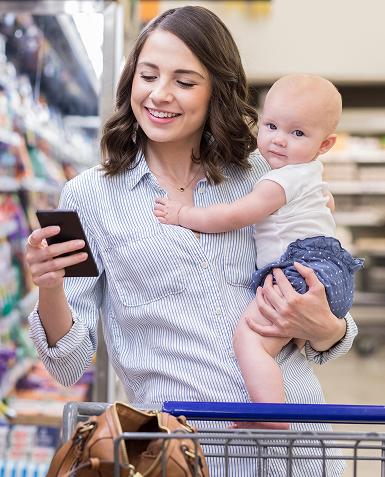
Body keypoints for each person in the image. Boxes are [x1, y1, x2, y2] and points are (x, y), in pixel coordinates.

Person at [26, 6, 355, 477]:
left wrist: (328, 328)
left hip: (299, 465)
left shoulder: (265, 176)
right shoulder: (88, 196)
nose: (159, 94)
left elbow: (329, 321)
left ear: (216, 91)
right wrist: (48, 286)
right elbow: (66, 364)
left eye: (184, 81)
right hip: (185, 473)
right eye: (148, 75)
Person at [153, 74, 364, 429]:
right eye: (271, 125)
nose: (279, 140)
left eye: (297, 133)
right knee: (273, 345)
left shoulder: (278, 179)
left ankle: (270, 418)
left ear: (325, 144)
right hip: (329, 274)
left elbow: (236, 215)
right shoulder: (310, 174)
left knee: (249, 341)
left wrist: (183, 214)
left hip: (300, 271)